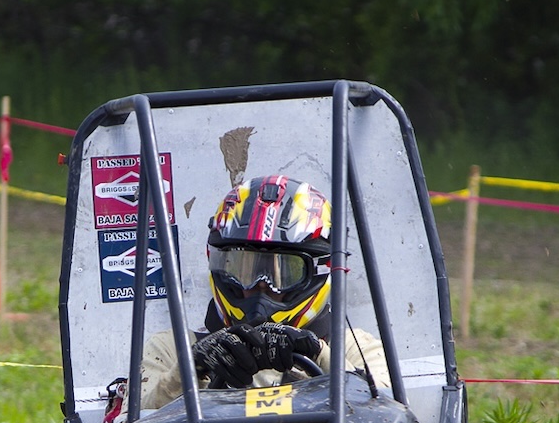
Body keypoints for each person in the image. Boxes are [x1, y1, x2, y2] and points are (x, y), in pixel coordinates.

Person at [137, 174, 390, 410]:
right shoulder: (172, 349)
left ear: (319, 272)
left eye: (284, 273)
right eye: (243, 269)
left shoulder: (355, 350)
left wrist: (316, 354)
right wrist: (192, 368)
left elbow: (387, 419)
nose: (261, 286)